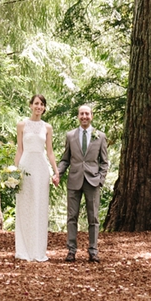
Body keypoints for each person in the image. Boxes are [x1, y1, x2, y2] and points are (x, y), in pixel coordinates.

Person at [57, 104, 109, 263]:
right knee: (72, 217)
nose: (84, 116)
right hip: (74, 180)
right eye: (81, 114)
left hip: (93, 182)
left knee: (93, 219)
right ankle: (71, 251)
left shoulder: (100, 136)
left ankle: (93, 251)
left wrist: (101, 179)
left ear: (91, 116)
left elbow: (104, 162)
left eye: (87, 114)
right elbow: (65, 159)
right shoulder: (70, 135)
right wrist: (57, 173)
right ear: (78, 116)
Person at [14, 94, 60, 261]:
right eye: (36, 103)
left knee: (39, 207)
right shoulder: (21, 125)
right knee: (25, 205)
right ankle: (24, 249)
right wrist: (13, 171)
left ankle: (38, 250)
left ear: (44, 108)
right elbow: (19, 149)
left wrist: (56, 172)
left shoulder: (47, 127)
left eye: (42, 104)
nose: (39, 107)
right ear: (31, 105)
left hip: (41, 168)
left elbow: (50, 151)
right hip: (26, 165)